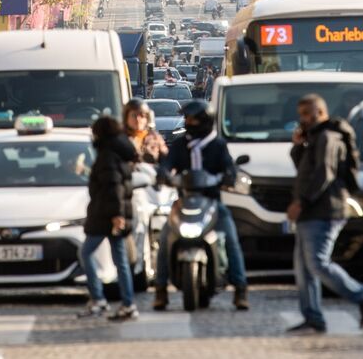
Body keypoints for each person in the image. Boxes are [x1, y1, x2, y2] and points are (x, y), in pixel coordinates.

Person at [285, 94, 363, 335]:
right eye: (301, 115)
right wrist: (298, 145)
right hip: (312, 211)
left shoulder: (328, 137)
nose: (302, 120)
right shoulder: (314, 138)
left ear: (319, 112)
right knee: (304, 269)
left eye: (306, 114)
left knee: (317, 263)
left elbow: (323, 175)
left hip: (324, 210)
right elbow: (303, 168)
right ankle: (313, 316)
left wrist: (302, 202)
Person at [153, 99, 249, 311]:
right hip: (183, 203)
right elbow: (167, 164)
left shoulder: (218, 145)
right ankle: (160, 290)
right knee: (165, 238)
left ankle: (240, 289)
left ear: (205, 121)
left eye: (192, 118)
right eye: (186, 118)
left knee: (231, 240)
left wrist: (229, 176)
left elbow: (228, 166)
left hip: (213, 203)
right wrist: (164, 174)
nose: (188, 122)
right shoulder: (179, 144)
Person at [79, 115, 140, 320]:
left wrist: (116, 215)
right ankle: (128, 303)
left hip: (105, 215)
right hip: (112, 213)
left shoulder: (106, 154)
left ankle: (98, 299)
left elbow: (113, 187)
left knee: (86, 253)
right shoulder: (119, 152)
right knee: (120, 261)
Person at [123, 98, 168, 164]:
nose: (138, 119)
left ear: (147, 118)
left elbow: (168, 161)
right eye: (134, 115)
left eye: (142, 115)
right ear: (126, 117)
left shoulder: (155, 138)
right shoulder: (119, 138)